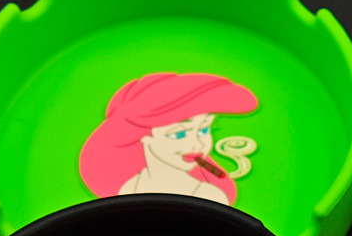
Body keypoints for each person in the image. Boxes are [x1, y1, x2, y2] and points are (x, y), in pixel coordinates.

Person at [79, 72, 258, 205]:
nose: (197, 144)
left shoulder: (211, 197)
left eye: (203, 130)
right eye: (179, 134)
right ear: (144, 137)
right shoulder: (128, 189)